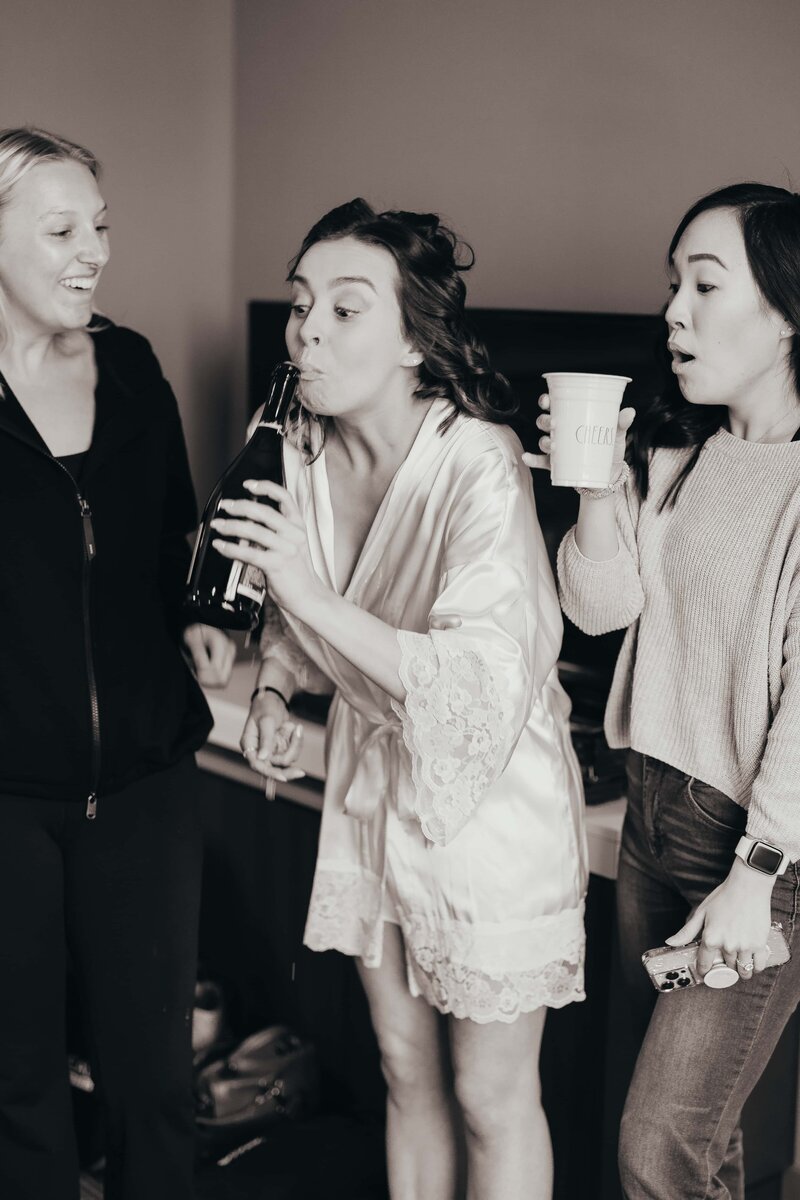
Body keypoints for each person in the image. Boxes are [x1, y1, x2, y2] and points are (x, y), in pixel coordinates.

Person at [210, 199, 588, 1200]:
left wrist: (306, 594)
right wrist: (279, 691)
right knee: (402, 1072)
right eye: (301, 306)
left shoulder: (480, 464)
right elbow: (288, 617)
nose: (307, 331)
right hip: (372, 794)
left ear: (415, 343)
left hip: (489, 810)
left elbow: (476, 685)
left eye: (343, 308)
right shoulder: (290, 443)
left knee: (485, 1095)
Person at [529, 183, 800, 1199]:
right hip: (652, 819)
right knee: (705, 1138)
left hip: (755, 851)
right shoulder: (683, 454)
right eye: (670, 285)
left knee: (655, 1145)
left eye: (703, 284)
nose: (671, 311)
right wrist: (600, 491)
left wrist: (755, 872)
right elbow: (597, 613)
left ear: (783, 310)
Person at [0, 127, 234, 1200]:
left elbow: (170, 544)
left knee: (155, 1081)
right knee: (20, 1085)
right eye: (60, 230)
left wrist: (197, 620)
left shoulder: (131, 366)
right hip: (7, 798)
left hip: (145, 779)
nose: (91, 251)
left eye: (100, 226)